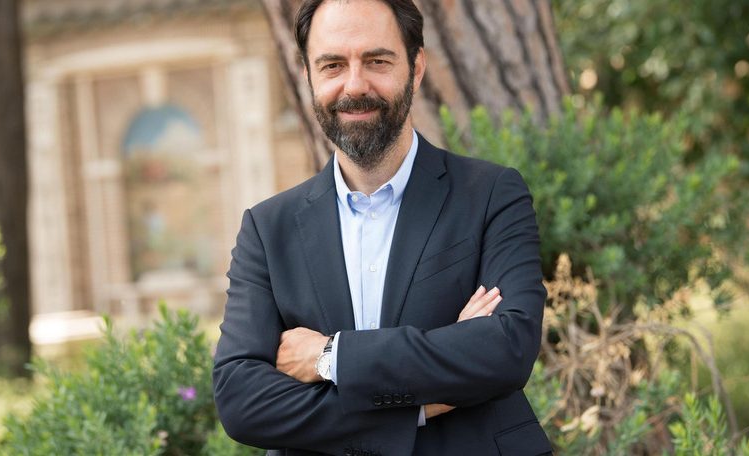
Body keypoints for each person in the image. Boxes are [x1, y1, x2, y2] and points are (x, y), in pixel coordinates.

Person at [213, 0, 552, 454]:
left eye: (377, 61)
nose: (355, 85)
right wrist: (417, 405)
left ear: (416, 67)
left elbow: (506, 349)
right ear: (307, 76)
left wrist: (330, 357)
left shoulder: (491, 193)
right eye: (333, 65)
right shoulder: (267, 229)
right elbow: (242, 401)